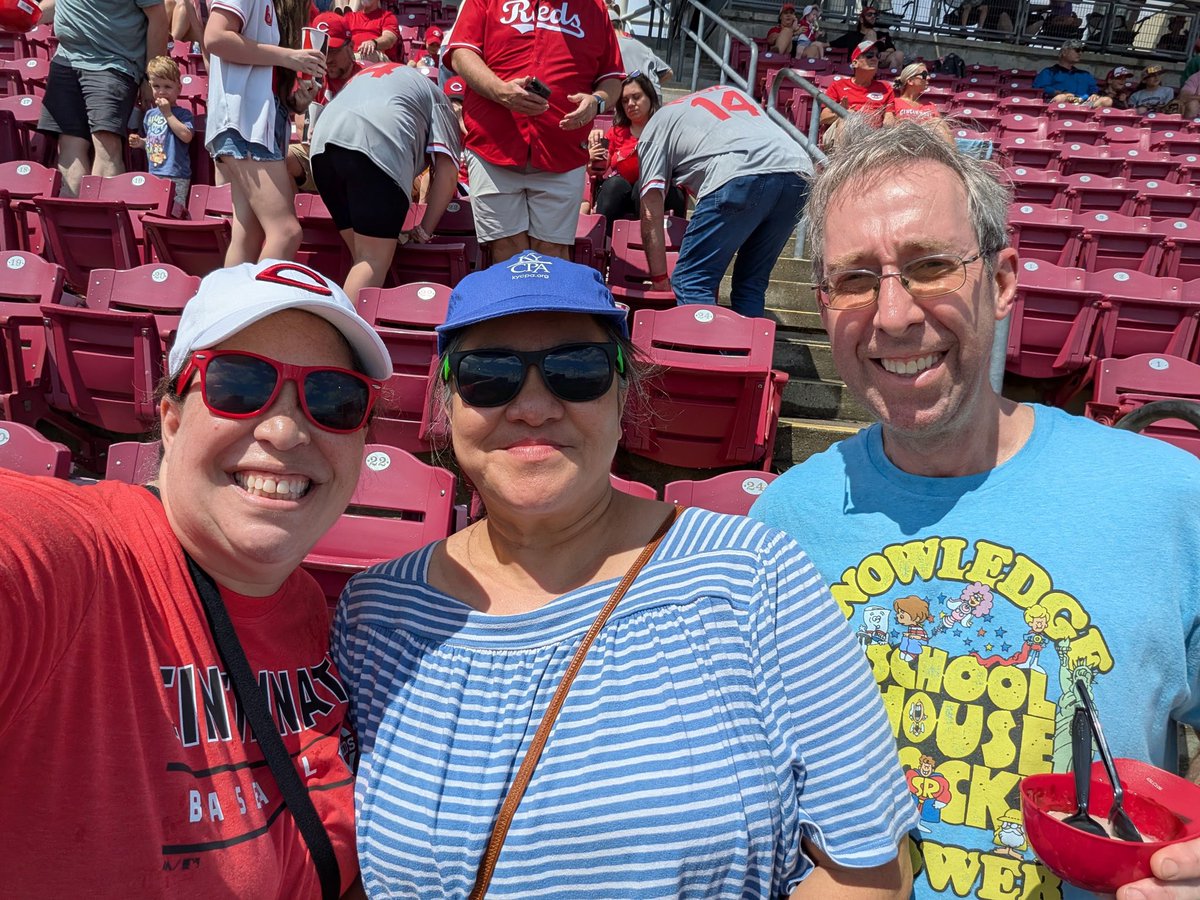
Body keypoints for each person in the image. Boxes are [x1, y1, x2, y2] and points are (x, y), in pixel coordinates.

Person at [333, 251, 918, 898]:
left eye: (575, 371)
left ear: (624, 392)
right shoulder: (375, 614)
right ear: (447, 398)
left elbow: (870, 870)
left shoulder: (755, 575)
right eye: (489, 374)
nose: (532, 405)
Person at [750, 115, 1200, 900]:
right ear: (823, 306)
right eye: (856, 278)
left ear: (1000, 280)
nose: (893, 316)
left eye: (929, 266)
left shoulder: (1167, 501)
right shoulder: (783, 523)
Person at [0, 258, 392, 897]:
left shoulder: (325, 621)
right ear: (171, 415)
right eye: (239, 385)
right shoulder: (78, 561)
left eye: (333, 398)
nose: (287, 429)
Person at [443, 0, 623, 262]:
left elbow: (612, 77)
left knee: (553, 254)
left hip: (561, 150)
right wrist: (499, 91)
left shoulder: (594, 8)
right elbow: (461, 53)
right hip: (494, 146)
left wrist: (597, 102)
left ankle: (544, 304)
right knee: (505, 251)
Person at [637, 84, 812, 317]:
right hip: (798, 169)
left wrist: (659, 278)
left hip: (738, 169)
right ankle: (747, 353)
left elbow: (651, 210)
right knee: (751, 283)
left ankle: (710, 352)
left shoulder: (655, 127)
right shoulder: (727, 90)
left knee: (692, 279)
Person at [310, 62, 461, 298]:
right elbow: (448, 173)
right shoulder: (442, 101)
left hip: (322, 145)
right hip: (375, 145)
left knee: (362, 259)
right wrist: (424, 231)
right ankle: (345, 333)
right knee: (370, 262)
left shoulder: (380, 76)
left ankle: (360, 321)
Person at [206, 0, 324, 266]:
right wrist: (287, 56)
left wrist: (296, 102)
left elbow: (263, 76)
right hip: (244, 126)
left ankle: (231, 305)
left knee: (248, 235)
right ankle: (256, 307)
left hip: (256, 124)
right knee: (286, 232)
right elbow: (215, 37)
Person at [35, 0, 169, 197]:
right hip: (66, 60)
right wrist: (26, 16)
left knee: (106, 143)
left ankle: (106, 223)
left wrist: (151, 77)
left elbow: (158, 19)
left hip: (113, 63)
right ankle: (76, 222)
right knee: (69, 144)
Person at [586, 72, 684, 236]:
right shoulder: (617, 133)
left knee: (644, 186)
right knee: (615, 185)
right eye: (625, 101)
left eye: (636, 97)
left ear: (650, 97)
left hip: (661, 193)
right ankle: (603, 246)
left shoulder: (666, 130)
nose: (630, 104)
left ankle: (647, 245)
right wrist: (592, 161)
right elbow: (600, 169)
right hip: (623, 195)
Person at [287, 11, 363, 194]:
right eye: (323, 51)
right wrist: (311, 136)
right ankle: (291, 215)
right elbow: (301, 126)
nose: (328, 59)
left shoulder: (366, 77)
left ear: (350, 46)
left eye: (334, 51)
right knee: (281, 158)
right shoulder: (310, 75)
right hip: (317, 156)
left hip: (356, 158)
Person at [129, 54, 194, 209]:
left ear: (179, 88)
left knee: (175, 210)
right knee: (155, 208)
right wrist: (141, 143)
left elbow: (186, 136)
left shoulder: (183, 114)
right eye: (156, 87)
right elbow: (153, 141)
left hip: (176, 174)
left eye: (167, 87)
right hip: (154, 172)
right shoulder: (150, 114)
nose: (162, 91)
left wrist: (167, 114)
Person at [822, 40, 896, 146]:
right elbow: (823, 118)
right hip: (841, 134)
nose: (875, 58)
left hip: (872, 137)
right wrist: (842, 113)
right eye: (869, 55)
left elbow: (889, 119)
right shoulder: (838, 85)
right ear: (855, 63)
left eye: (877, 55)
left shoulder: (885, 88)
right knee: (847, 120)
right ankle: (843, 160)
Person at [1032, 38, 1111, 107]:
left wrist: (1094, 94)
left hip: (1083, 104)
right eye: (1077, 50)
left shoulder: (1085, 74)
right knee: (1061, 98)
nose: (1080, 53)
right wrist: (1060, 93)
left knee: (1107, 101)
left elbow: (1094, 89)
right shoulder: (1049, 72)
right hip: (1060, 104)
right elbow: (1040, 88)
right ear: (1064, 52)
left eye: (1082, 51)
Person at [609, 4, 673, 88]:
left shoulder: (611, 47)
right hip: (653, 95)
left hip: (633, 95)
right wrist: (649, 89)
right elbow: (668, 72)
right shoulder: (643, 48)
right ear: (620, 25)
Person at [830, 6, 902, 71]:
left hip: (879, 64)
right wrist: (819, 43)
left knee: (899, 54)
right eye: (869, 15)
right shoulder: (851, 36)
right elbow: (829, 44)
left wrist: (885, 53)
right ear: (861, 19)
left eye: (875, 15)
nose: (873, 16)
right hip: (860, 65)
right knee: (871, 32)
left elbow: (891, 49)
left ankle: (892, 82)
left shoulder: (883, 35)